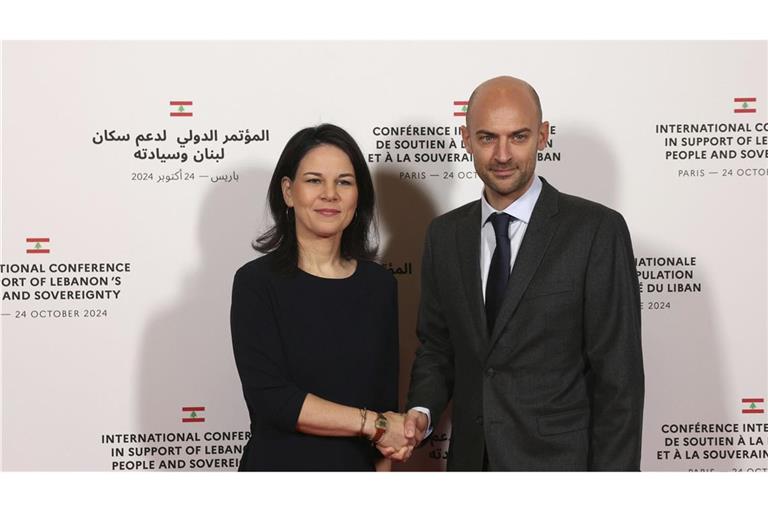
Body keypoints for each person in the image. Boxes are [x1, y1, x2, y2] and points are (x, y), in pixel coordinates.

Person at [396, 76, 644, 470]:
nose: (503, 154)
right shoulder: (444, 235)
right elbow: (438, 347)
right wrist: (421, 410)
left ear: (543, 136)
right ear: (466, 139)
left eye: (519, 136)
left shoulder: (596, 231)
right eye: (487, 137)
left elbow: (619, 381)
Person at [230, 124, 406, 471]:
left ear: (359, 196)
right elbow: (273, 400)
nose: (330, 194)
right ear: (288, 191)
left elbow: (386, 400)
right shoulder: (255, 283)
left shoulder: (380, 285)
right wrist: (374, 424)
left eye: (344, 181)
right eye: (314, 180)